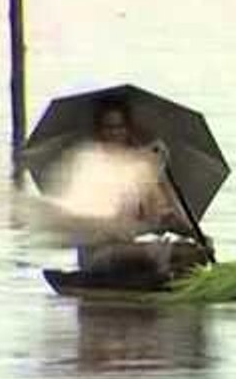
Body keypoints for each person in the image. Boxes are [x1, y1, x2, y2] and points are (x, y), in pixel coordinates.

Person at [75, 98, 211, 275]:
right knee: (159, 252)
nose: (115, 133)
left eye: (120, 127)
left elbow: (167, 218)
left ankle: (163, 279)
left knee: (194, 253)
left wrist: (197, 236)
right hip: (98, 254)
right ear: (99, 132)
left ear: (128, 130)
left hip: (128, 250)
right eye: (109, 128)